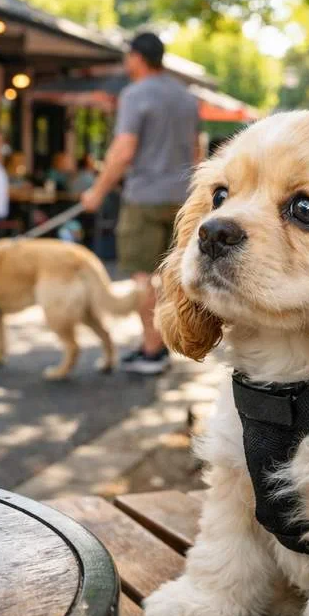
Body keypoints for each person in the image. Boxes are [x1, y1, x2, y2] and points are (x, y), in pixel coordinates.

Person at [80, 31, 200, 375]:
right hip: (182, 199)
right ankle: (161, 343)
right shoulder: (186, 98)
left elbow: (123, 150)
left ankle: (151, 350)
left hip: (144, 198)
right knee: (171, 277)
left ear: (136, 57)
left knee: (142, 278)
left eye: (127, 55)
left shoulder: (135, 95)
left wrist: (97, 192)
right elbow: (195, 151)